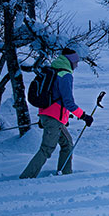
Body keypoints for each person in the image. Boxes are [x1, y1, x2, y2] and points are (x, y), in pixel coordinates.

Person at [20, 47, 87, 178]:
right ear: (71, 61)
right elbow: (68, 102)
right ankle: (26, 177)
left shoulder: (53, 71)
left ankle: (64, 174)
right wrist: (84, 116)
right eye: (76, 62)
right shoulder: (65, 75)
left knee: (67, 144)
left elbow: (53, 97)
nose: (77, 65)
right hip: (54, 118)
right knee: (46, 149)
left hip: (50, 116)